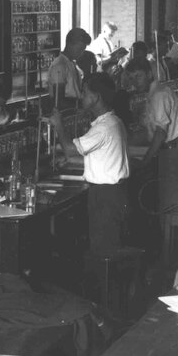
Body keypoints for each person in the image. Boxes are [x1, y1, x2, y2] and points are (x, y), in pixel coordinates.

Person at [49, 74, 130, 255]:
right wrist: (71, 161)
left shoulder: (103, 127)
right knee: (108, 245)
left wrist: (58, 125)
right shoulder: (113, 121)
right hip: (113, 193)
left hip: (105, 196)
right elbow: (102, 158)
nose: (81, 96)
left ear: (96, 97)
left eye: (85, 92)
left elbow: (70, 150)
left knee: (104, 250)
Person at [124, 57, 178, 212]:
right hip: (172, 151)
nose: (135, 82)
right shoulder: (154, 93)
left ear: (149, 74)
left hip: (174, 152)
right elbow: (150, 131)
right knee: (168, 201)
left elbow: (160, 133)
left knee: (171, 205)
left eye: (138, 76)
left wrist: (145, 161)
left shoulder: (159, 95)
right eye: (131, 78)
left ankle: (172, 228)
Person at [48, 27, 92, 108]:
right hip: (66, 112)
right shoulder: (59, 65)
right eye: (80, 49)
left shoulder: (72, 63)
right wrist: (82, 105)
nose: (81, 53)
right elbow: (59, 101)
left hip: (75, 109)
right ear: (69, 44)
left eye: (83, 50)